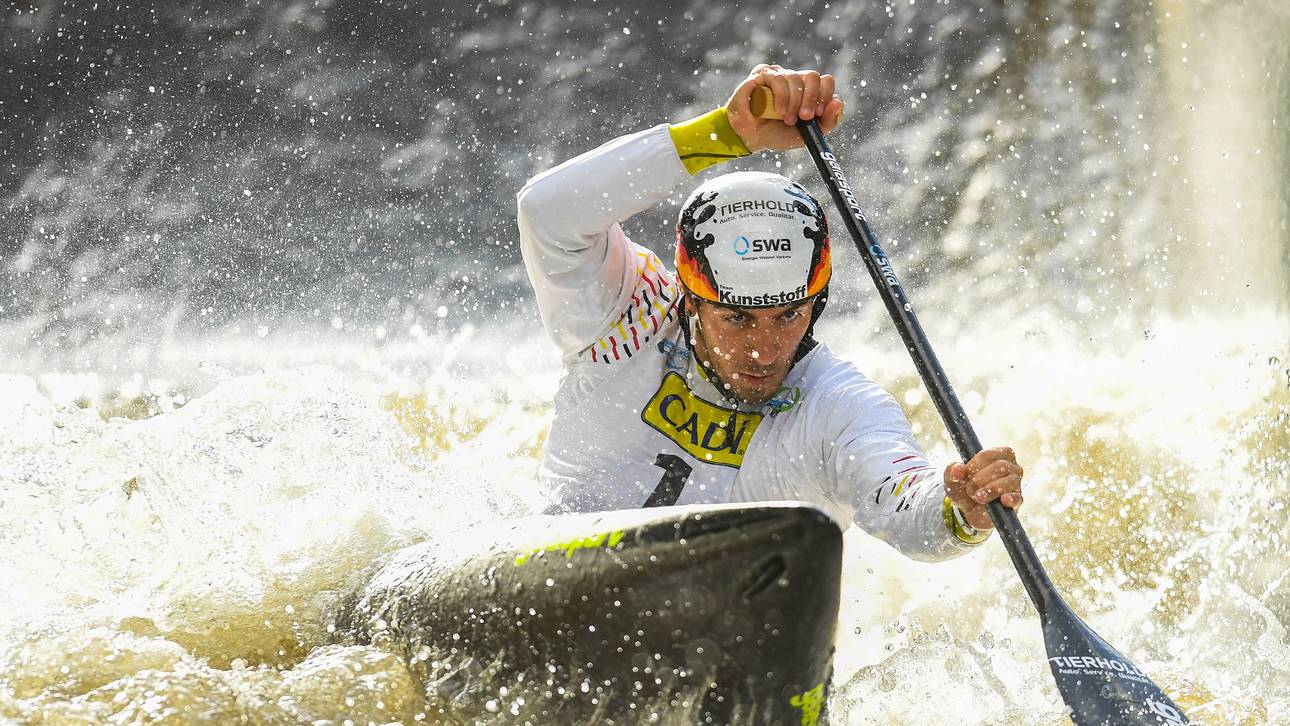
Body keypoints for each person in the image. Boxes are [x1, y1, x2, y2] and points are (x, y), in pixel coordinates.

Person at [515, 64, 1024, 561]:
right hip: (556, 576)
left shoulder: (836, 404)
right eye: (737, 318)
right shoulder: (630, 314)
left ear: (816, 304)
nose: (764, 348)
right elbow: (548, 212)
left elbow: (906, 503)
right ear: (689, 298)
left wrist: (958, 507)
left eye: (788, 316)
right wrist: (727, 132)